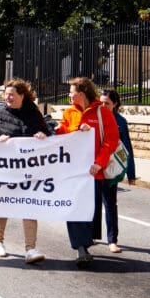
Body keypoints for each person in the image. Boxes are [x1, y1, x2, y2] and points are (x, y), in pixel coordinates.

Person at [0, 78, 51, 264]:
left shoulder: (33, 113)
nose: (8, 97)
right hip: (6, 170)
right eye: (6, 94)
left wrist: (42, 135)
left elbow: (47, 134)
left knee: (29, 206)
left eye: (12, 94)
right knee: (2, 204)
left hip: (29, 170)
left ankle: (31, 248)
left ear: (22, 95)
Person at [55, 76, 119, 268]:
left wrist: (99, 163)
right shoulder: (68, 113)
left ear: (81, 94)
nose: (69, 94)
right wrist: (65, 129)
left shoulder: (103, 112)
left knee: (89, 210)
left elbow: (111, 140)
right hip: (73, 171)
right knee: (73, 208)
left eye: (72, 91)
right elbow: (63, 137)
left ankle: (87, 240)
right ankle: (81, 248)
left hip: (94, 172)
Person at [100, 89, 137, 253]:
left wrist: (131, 173)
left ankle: (112, 240)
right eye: (101, 102)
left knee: (110, 204)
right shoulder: (95, 117)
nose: (103, 105)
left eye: (106, 103)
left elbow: (127, 148)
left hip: (110, 169)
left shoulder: (120, 121)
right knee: (91, 204)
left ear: (114, 104)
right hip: (93, 167)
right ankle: (91, 236)